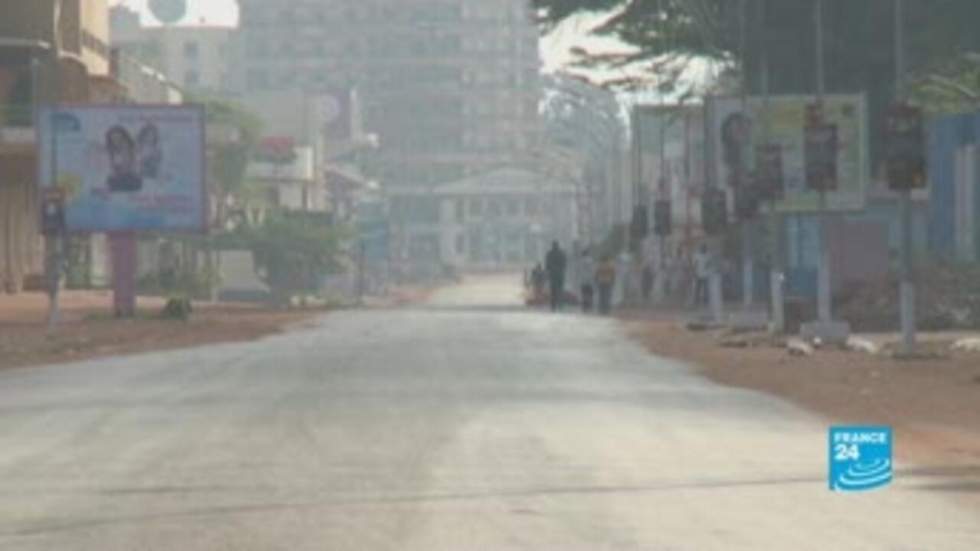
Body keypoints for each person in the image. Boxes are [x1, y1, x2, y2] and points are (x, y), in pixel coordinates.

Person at [105, 126, 142, 192]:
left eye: (119, 138)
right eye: (114, 138)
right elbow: (112, 168)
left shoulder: (131, 149)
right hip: (118, 177)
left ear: (124, 137)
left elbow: (135, 165)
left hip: (131, 177)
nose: (116, 141)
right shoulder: (111, 151)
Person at [545, 241, 567, 312]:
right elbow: (564, 264)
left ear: (552, 246)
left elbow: (547, 265)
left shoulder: (549, 254)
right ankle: (560, 305)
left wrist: (549, 271)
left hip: (552, 274)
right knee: (560, 290)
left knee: (553, 291)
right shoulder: (562, 253)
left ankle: (553, 306)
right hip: (560, 274)